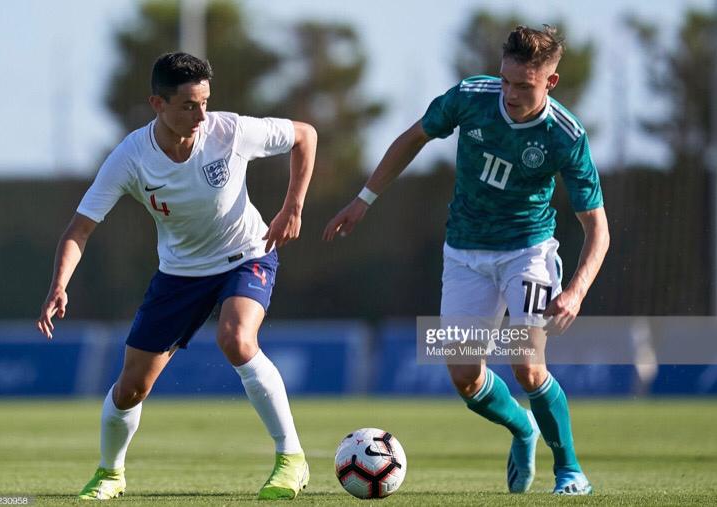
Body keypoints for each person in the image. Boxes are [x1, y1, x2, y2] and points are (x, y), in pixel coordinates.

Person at [324, 26, 609, 495]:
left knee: (527, 366)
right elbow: (413, 137)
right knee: (463, 376)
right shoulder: (471, 97)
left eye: (524, 85)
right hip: (463, 252)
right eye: (506, 80)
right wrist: (363, 199)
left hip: (528, 252)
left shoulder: (565, 135)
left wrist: (576, 290)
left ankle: (570, 469)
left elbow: (597, 228)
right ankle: (523, 430)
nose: (511, 94)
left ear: (550, 83)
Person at [36, 52, 317, 500]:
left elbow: (305, 136)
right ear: (157, 104)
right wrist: (59, 285)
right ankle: (110, 474)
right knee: (130, 388)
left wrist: (293, 206)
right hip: (180, 275)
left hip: (247, 255)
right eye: (188, 105)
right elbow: (80, 229)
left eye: (205, 101)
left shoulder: (230, 130)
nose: (201, 115)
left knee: (237, 339)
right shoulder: (131, 157)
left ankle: (291, 459)